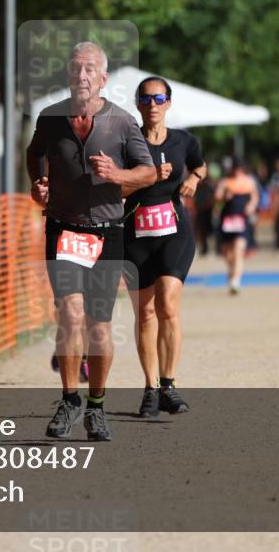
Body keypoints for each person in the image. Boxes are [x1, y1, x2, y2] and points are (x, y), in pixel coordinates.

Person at [27, 42, 156, 441]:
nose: (81, 76)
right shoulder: (50, 118)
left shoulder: (122, 123)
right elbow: (34, 155)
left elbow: (148, 174)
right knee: (69, 313)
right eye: (75, 69)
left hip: (107, 232)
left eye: (89, 70)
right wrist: (39, 184)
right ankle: (69, 399)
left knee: (99, 327)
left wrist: (118, 175)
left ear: (102, 79)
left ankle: (96, 407)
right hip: (64, 229)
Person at [122, 77, 206, 418]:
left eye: (159, 98)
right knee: (144, 313)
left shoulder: (184, 141)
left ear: (168, 103)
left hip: (174, 232)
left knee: (168, 306)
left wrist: (194, 178)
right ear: (139, 104)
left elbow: (200, 164)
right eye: (146, 98)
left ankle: (169, 384)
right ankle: (151, 388)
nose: (153, 104)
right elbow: (114, 187)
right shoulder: (125, 143)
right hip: (136, 235)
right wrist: (148, 177)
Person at [214, 159, 258, 294]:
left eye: (240, 168)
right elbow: (217, 197)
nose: (237, 171)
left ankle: (236, 281)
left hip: (242, 220)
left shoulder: (249, 182)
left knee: (239, 249)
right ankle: (231, 271)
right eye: (235, 168)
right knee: (227, 252)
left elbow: (255, 197)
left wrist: (251, 206)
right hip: (228, 219)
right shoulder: (225, 182)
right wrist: (224, 197)